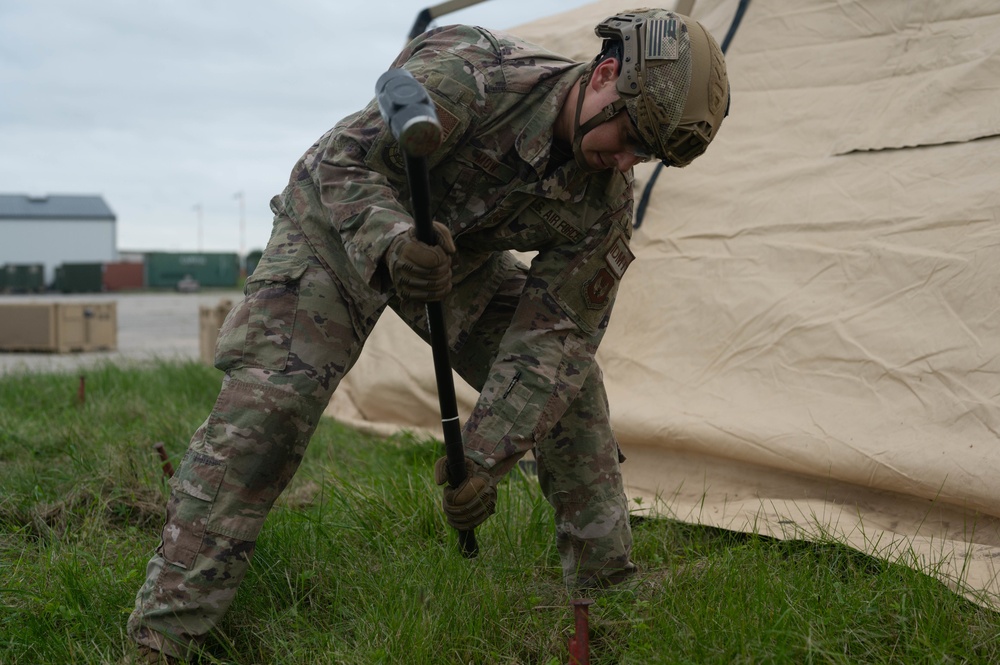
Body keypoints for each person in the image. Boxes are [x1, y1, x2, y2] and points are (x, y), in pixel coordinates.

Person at [127, 8, 729, 662]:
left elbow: (555, 340)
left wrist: (484, 457)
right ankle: (162, 637)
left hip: (454, 261)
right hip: (335, 231)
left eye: (646, 153)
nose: (625, 159)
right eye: (629, 134)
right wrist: (390, 244)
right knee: (267, 419)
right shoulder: (470, 77)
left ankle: (604, 625)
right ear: (605, 73)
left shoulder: (605, 199)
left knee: (575, 401)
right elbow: (338, 164)